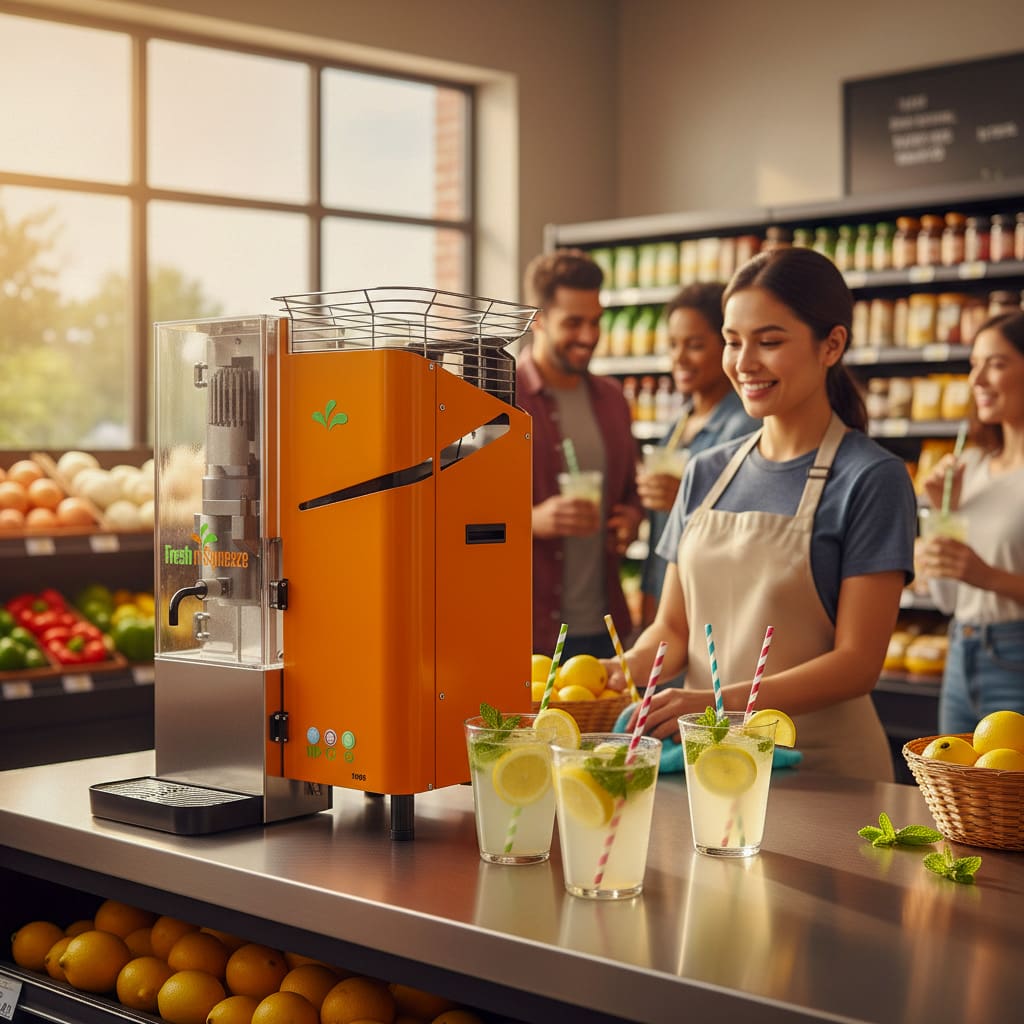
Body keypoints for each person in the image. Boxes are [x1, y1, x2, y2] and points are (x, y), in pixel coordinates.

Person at [607, 247, 917, 781]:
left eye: (769, 342)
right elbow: (673, 627)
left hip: (825, 772)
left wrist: (713, 704)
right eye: (732, 342)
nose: (744, 363)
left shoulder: (871, 478)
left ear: (832, 344)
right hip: (714, 762)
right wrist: (625, 667)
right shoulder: (706, 471)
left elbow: (858, 663)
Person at [518, 249, 643, 660]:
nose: (589, 336)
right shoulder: (502, 399)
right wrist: (530, 521)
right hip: (529, 630)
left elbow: (630, 491)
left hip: (607, 628)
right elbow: (452, 509)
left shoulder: (612, 399)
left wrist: (631, 517)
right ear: (537, 318)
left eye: (595, 321)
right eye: (573, 322)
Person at [919, 311, 1024, 733]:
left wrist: (989, 576)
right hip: (960, 653)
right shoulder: (972, 466)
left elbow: (977, 577)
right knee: (957, 796)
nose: (977, 380)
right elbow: (947, 597)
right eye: (973, 365)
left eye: (996, 364)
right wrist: (942, 513)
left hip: (1016, 657)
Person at [636, 283, 759, 629]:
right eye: (673, 345)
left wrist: (684, 501)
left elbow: (754, 528)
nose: (679, 358)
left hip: (712, 610)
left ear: (727, 347)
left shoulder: (744, 427)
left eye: (695, 345)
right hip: (665, 607)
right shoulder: (678, 424)